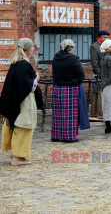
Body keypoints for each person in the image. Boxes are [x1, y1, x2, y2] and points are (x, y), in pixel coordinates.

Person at [0, 38, 41, 166]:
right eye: (32, 47)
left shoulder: (16, 63)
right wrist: (36, 78)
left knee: (19, 125)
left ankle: (17, 155)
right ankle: (17, 157)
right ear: (28, 48)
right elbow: (27, 86)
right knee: (24, 125)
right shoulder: (24, 64)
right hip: (24, 101)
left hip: (16, 100)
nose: (33, 48)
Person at [51, 39, 90, 143]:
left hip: (57, 88)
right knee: (70, 114)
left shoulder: (56, 57)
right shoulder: (73, 59)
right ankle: (69, 137)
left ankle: (56, 135)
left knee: (58, 114)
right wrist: (76, 82)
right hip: (71, 88)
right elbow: (81, 74)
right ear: (72, 48)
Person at [90, 30, 110, 118]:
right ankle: (97, 113)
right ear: (100, 37)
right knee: (98, 95)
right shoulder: (95, 46)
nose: (106, 39)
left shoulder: (108, 45)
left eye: (107, 37)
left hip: (108, 73)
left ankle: (104, 112)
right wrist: (100, 73)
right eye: (104, 37)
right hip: (100, 74)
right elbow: (94, 63)